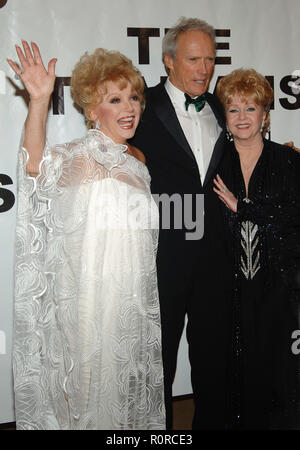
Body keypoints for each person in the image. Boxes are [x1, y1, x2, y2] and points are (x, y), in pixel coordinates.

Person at [8, 41, 165, 430]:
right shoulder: (77, 156)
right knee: (85, 392)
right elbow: (33, 166)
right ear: (93, 110)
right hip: (85, 301)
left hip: (129, 302)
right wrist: (40, 100)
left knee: (122, 390)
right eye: (115, 99)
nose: (129, 108)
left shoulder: (139, 161)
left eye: (134, 97)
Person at [131, 17, 233, 429]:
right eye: (194, 59)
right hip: (163, 254)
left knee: (213, 358)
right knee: (159, 360)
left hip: (215, 256)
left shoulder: (220, 109)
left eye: (210, 59)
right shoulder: (141, 106)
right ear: (169, 61)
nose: (204, 69)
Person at [213, 68, 300, 429]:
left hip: (279, 286)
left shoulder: (289, 160)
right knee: (234, 371)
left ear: (265, 114)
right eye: (233, 110)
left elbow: (293, 218)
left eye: (251, 109)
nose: (243, 117)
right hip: (227, 286)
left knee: (279, 371)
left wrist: (245, 208)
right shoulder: (215, 164)